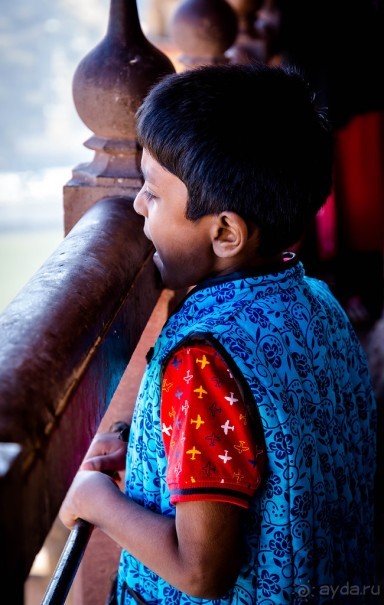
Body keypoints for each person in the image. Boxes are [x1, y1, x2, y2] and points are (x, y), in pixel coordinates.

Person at [59, 63, 377, 604]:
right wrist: (145, 461)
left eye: (153, 194)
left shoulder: (203, 360)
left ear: (225, 233)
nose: (136, 205)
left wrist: (95, 500)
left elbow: (201, 569)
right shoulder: (316, 303)